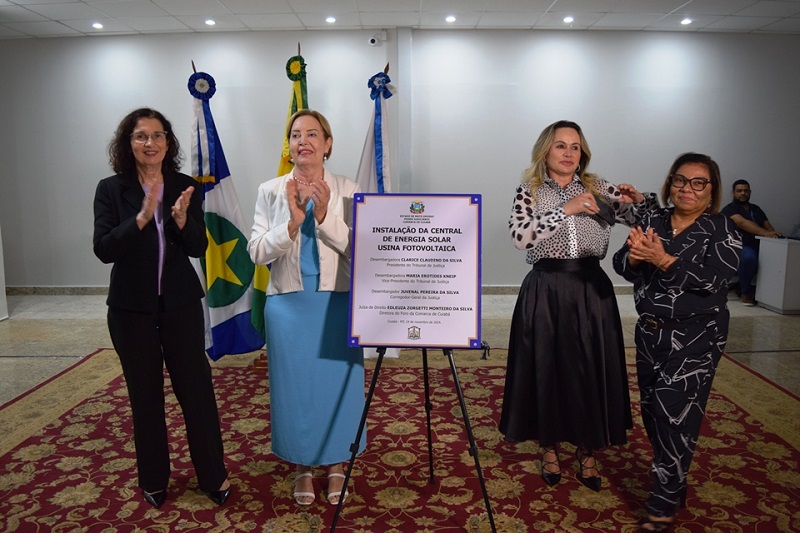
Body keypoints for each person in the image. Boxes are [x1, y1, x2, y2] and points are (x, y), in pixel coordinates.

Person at [499, 120, 656, 492]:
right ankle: (549, 447)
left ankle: (588, 450)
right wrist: (565, 209)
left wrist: (640, 202)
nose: (569, 153)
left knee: (590, 369)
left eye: (575, 147)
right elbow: (521, 237)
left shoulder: (600, 188)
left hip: (591, 288)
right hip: (545, 289)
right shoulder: (530, 190)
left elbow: (640, 219)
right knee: (547, 368)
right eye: (561, 146)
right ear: (545, 151)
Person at [93, 108, 231, 508]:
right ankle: (153, 479)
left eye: (157, 135)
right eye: (140, 136)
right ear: (128, 143)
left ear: (168, 142)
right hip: (130, 311)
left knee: (197, 392)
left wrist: (184, 219)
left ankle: (213, 475)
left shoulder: (185, 186)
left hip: (181, 307)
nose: (149, 143)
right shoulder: (110, 189)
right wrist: (139, 218)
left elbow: (198, 247)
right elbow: (104, 249)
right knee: (145, 396)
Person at [612, 153, 741, 531]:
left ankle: (661, 509)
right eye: (681, 181)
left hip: (698, 335)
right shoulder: (653, 220)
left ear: (712, 189)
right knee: (653, 415)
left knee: (674, 416)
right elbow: (620, 264)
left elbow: (716, 281)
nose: (688, 189)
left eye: (699, 182)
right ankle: (675, 482)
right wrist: (636, 258)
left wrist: (664, 260)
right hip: (650, 332)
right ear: (670, 184)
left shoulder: (723, 229)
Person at [247, 109, 364, 507]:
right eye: (296, 134)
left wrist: (327, 215)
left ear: (328, 144)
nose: (304, 141)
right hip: (288, 307)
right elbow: (257, 253)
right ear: (289, 145)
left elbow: (362, 251)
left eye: (313, 134)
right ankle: (302, 464)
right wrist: (291, 225)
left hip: (338, 303)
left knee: (338, 388)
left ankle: (335, 463)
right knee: (295, 391)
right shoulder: (270, 190)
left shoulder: (350, 187)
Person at [721, 179, 782, 306]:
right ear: (733, 193)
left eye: (745, 191)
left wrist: (775, 237)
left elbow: (768, 226)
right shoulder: (729, 209)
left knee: (781, 256)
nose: (743, 193)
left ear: (750, 192)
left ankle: (773, 295)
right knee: (748, 258)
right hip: (739, 246)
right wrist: (766, 233)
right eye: (739, 191)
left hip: (761, 245)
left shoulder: (756, 208)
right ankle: (746, 293)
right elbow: (742, 223)